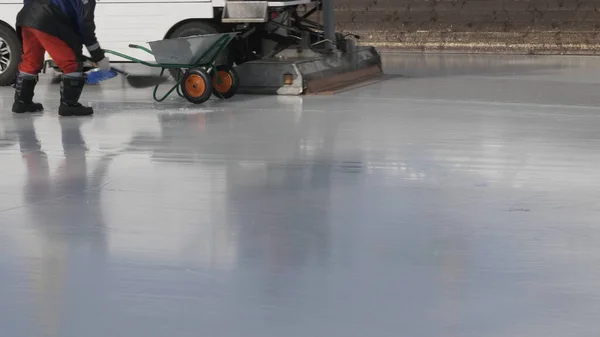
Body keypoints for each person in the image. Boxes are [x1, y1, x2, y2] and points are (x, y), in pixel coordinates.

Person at [12, 0, 110, 116]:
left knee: (31, 62)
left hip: (26, 17)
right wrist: (99, 57)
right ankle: (69, 105)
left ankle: (22, 102)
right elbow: (85, 28)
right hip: (48, 19)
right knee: (72, 63)